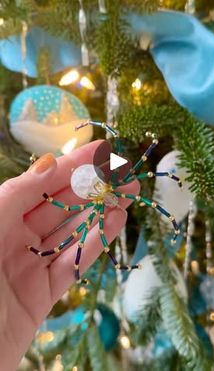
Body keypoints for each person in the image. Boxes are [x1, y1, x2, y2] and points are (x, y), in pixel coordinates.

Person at [0, 140, 139, 371]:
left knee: (94, 232)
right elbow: (69, 211)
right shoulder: (96, 203)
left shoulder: (108, 192)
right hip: (89, 189)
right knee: (88, 235)